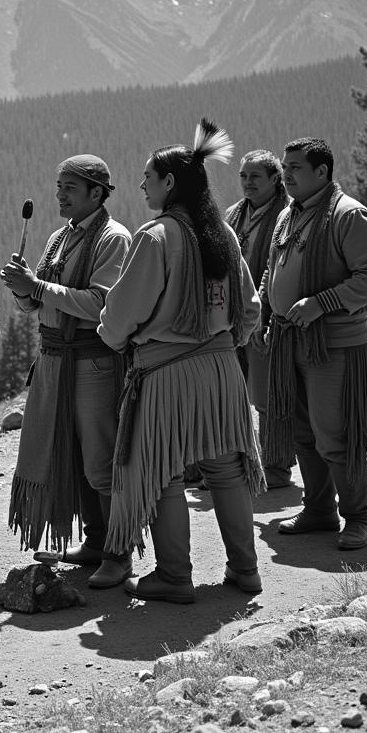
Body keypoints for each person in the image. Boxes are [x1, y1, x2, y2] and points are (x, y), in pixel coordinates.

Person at [98, 119, 264, 604]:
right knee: (226, 469)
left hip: (166, 374)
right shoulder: (223, 236)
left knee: (165, 473)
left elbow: (121, 315)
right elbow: (249, 308)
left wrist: (114, 336)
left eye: (148, 176)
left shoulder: (156, 238)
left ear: (169, 183)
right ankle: (246, 570)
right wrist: (227, 345)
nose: (142, 184)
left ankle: (174, 576)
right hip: (221, 370)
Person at [0, 155, 133, 588]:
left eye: (69, 188)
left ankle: (119, 553)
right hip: (56, 360)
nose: (59, 194)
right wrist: (24, 291)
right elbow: (39, 301)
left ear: (97, 193)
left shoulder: (113, 238)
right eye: (58, 186)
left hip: (93, 361)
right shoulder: (59, 237)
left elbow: (100, 303)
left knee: (100, 459)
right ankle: (96, 541)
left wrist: (35, 287)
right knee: (73, 458)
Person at [257, 137, 367, 550]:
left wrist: (321, 303)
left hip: (332, 344)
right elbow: (270, 270)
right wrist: (264, 313)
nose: (287, 174)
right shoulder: (288, 216)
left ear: (322, 172)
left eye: (295, 167)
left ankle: (357, 518)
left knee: (336, 432)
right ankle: (319, 510)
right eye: (285, 167)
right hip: (288, 340)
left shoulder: (348, 215)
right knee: (303, 431)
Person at [224, 150, 294, 489]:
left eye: (255, 176)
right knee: (231, 396)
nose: (248, 183)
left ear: (274, 179)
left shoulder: (286, 215)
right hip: (233, 319)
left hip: (267, 319)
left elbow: (275, 270)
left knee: (267, 397)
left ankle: (277, 467)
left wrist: (261, 316)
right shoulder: (232, 216)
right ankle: (235, 464)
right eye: (243, 176)